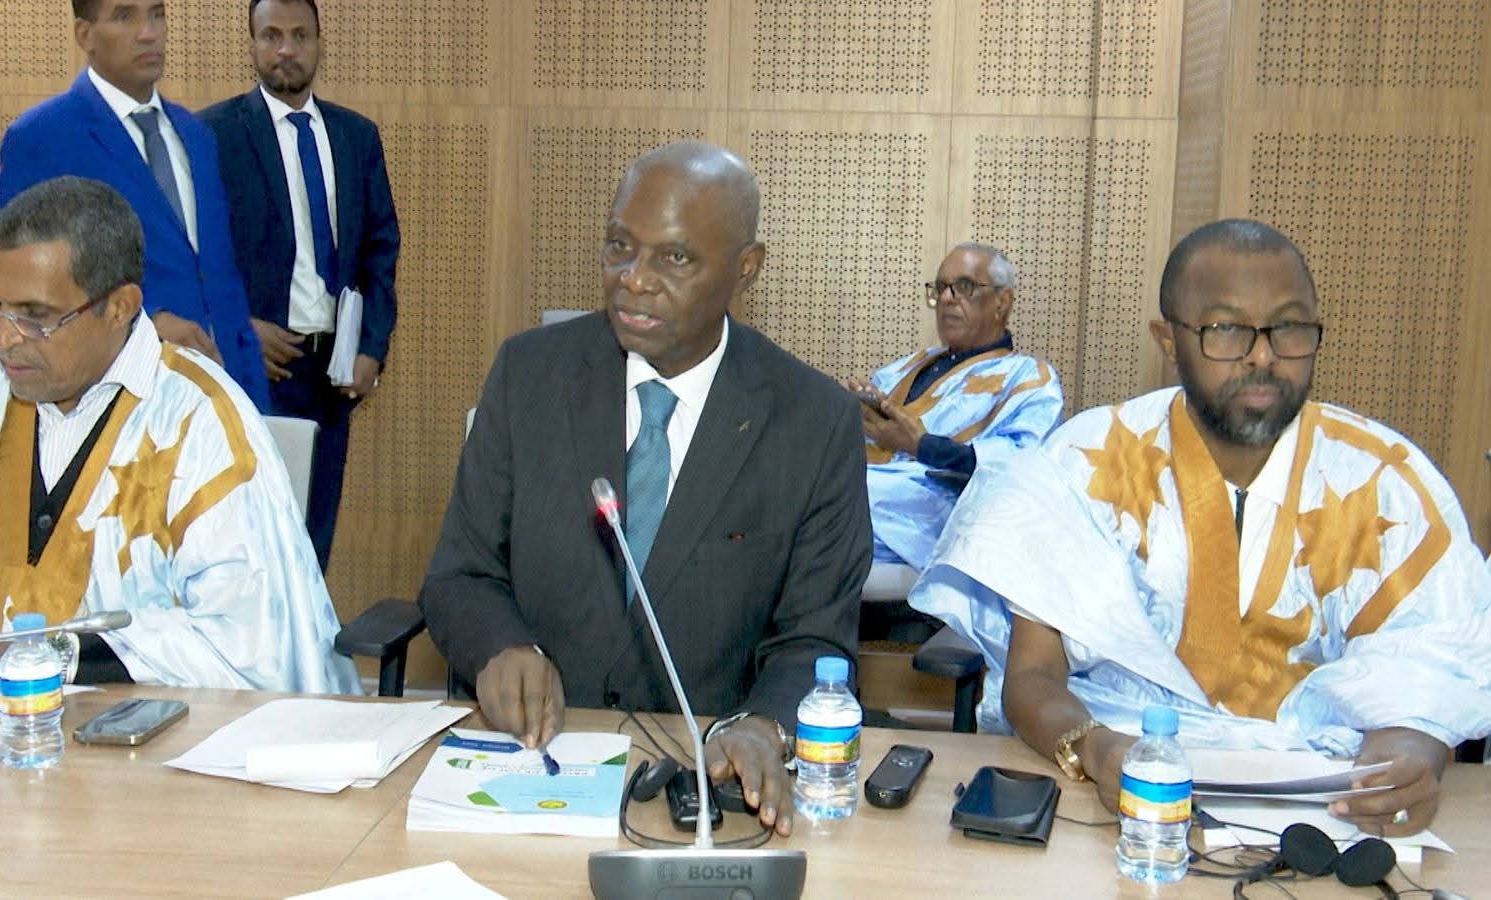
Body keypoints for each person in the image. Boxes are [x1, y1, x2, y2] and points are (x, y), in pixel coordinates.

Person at [910, 219, 1491, 834]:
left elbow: (1428, 671)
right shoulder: (1086, 464)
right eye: (1226, 330)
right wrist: (1094, 747)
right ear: (1169, 340)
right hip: (1120, 789)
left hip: (1326, 803)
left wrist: (1408, 758)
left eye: (1289, 328)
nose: (1263, 355)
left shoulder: (1385, 480)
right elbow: (1032, 676)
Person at [419, 141, 871, 836]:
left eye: (675, 257)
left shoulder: (814, 422)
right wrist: (501, 649)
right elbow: (460, 574)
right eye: (619, 247)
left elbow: (815, 638)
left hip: (703, 792)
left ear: (745, 268)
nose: (633, 279)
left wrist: (765, 727)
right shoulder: (528, 376)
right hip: (537, 766)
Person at [0, 176, 360, 694]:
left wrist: (53, 655)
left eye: (35, 317)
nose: (4, 337)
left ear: (120, 306)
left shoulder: (199, 422)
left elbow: (250, 649)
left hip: (143, 735)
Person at [201, 0, 400, 571]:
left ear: (318, 44)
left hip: (331, 375)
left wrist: (371, 349)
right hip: (256, 371)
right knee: (249, 543)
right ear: (252, 45)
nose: (285, 49)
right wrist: (235, 331)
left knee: (313, 542)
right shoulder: (213, 134)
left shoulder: (357, 137)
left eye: (299, 35)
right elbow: (189, 256)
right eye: (271, 36)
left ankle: (306, 633)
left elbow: (381, 248)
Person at [0, 0, 271, 411]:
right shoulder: (41, 137)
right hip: (117, 397)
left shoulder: (197, 136)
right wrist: (144, 322)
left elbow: (220, 276)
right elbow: (29, 282)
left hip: (227, 389)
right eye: (125, 16)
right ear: (85, 35)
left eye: (157, 14)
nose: (148, 32)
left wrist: (253, 396)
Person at [846, 243, 1062, 571]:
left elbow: (1022, 467)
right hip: (872, 487)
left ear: (1002, 302)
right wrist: (859, 414)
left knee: (829, 498)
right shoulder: (907, 367)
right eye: (941, 287)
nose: (947, 298)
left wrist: (921, 446)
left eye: (965, 286)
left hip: (939, 514)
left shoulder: (1029, 378)